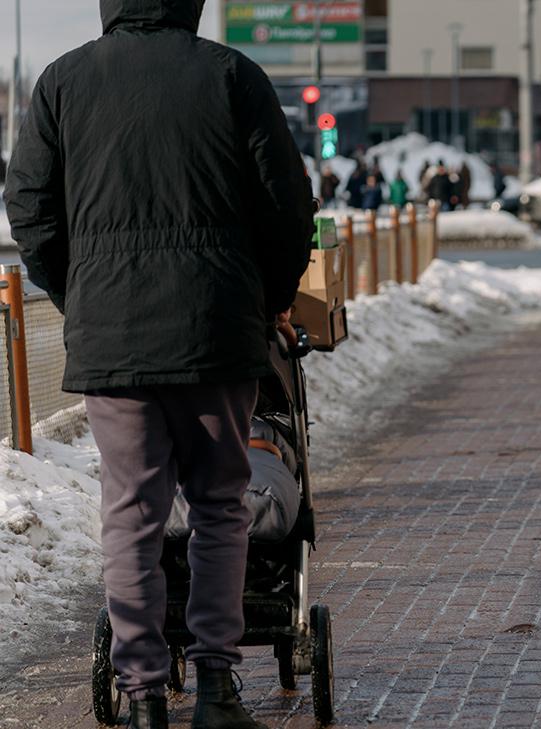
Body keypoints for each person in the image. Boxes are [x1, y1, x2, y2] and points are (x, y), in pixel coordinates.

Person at [3, 1, 316, 727]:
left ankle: (143, 692)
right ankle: (215, 686)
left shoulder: (61, 81)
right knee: (218, 507)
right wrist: (264, 299)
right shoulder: (232, 75)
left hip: (115, 344)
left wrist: (81, 293)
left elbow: (30, 207)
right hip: (217, 333)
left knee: (131, 513)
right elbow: (285, 207)